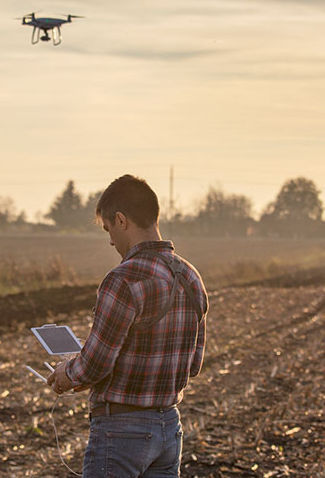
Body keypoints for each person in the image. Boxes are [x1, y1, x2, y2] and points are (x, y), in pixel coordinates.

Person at [46, 174, 208, 478]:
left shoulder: (123, 278)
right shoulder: (190, 277)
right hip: (169, 429)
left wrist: (67, 375)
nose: (109, 240)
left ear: (121, 220)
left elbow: (95, 365)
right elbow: (194, 365)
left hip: (121, 433)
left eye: (108, 229)